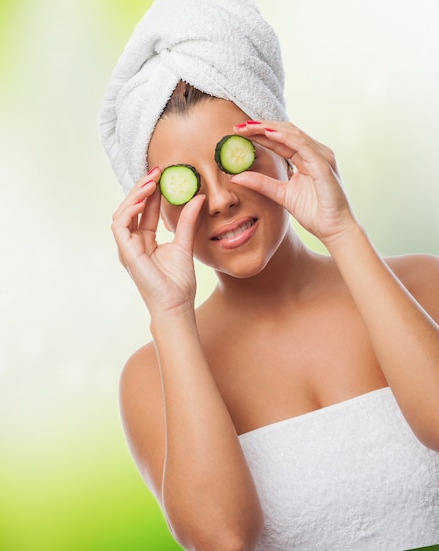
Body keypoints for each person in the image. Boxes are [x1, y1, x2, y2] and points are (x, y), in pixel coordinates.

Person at [99, 1, 439, 550]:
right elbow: (223, 539)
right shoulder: (149, 378)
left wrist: (342, 230)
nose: (221, 199)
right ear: (152, 206)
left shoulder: (424, 285)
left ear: (283, 146)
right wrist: (170, 313)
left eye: (235, 156)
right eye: (184, 182)